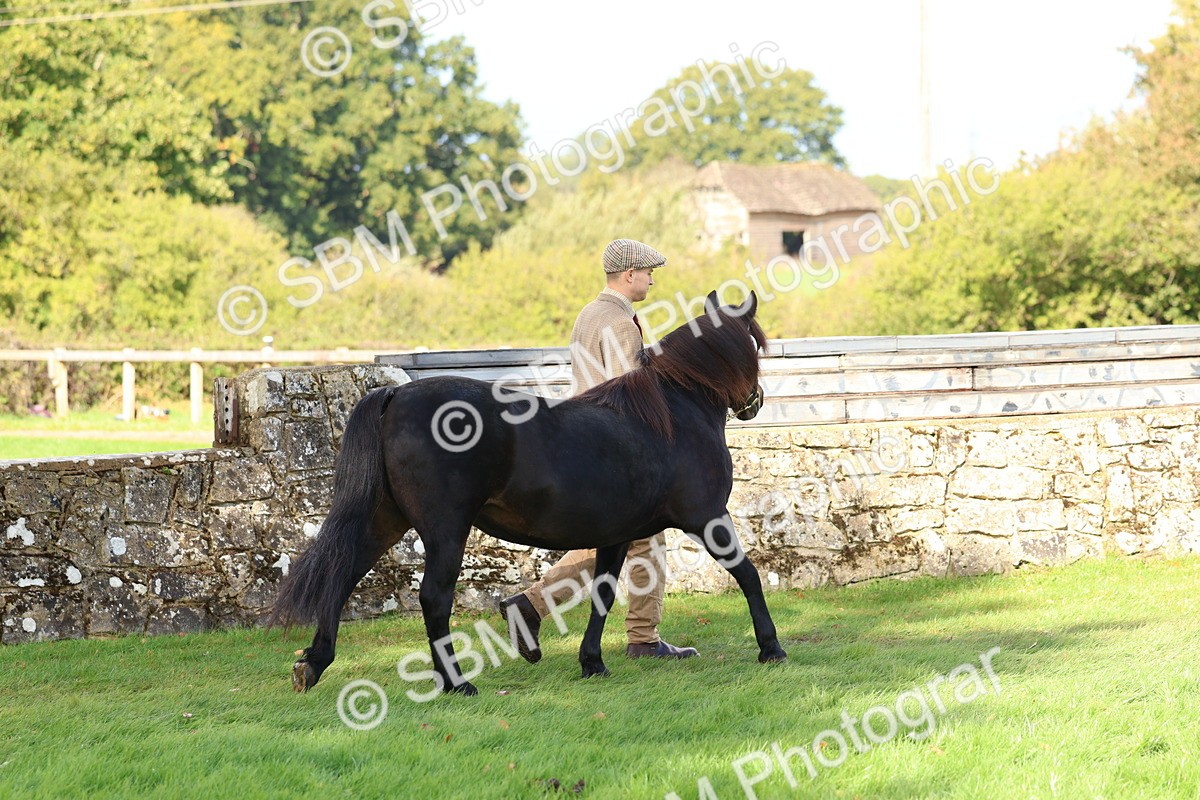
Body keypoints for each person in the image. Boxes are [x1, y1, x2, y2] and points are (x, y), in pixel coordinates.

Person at [498, 238, 699, 662]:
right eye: (648, 273)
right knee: (643, 539)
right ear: (630, 274)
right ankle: (642, 640)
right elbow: (633, 394)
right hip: (616, 448)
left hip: (585, 438)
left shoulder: (589, 313)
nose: (652, 280)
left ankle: (532, 607)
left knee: (618, 540)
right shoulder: (621, 323)